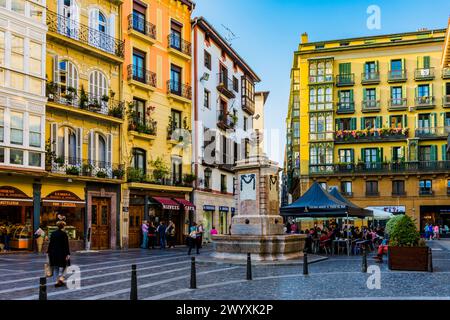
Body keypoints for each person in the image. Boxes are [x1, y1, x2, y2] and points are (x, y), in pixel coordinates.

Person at [47, 221, 70, 287]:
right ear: (63, 226)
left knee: (55, 267)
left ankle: (57, 282)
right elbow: (66, 245)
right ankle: (61, 278)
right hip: (62, 253)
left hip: (53, 253)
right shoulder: (64, 234)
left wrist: (48, 252)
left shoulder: (53, 233)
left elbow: (50, 244)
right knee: (66, 266)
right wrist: (68, 254)